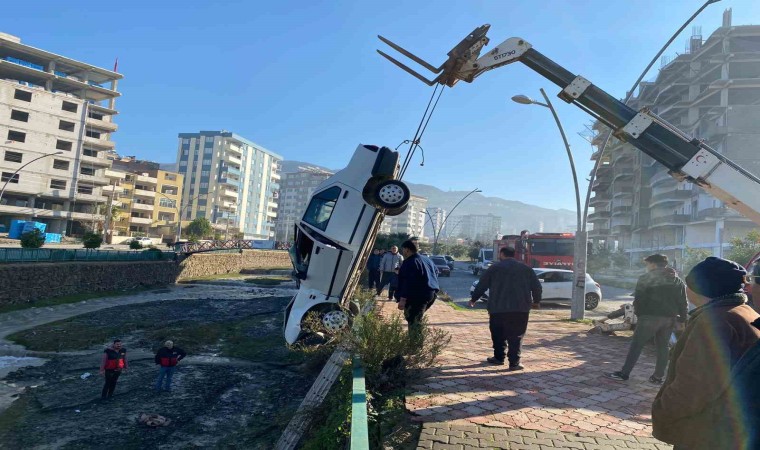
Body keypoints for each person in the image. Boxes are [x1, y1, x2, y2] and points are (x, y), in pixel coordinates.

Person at [652, 256, 760, 450]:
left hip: (704, 432)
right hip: (731, 431)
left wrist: (662, 411)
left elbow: (693, 385)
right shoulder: (744, 312)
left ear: (698, 287)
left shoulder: (713, 323)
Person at [607, 254, 688, 384]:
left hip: (649, 317)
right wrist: (683, 319)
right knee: (663, 347)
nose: (647, 267)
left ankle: (624, 373)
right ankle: (658, 377)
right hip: (669, 319)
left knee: (637, 345)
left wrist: (640, 315)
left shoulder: (646, 278)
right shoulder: (677, 280)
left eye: (648, 264)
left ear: (653, 264)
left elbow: (639, 300)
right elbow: (683, 302)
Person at [469, 246, 542, 370]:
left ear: (502, 254)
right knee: (516, 335)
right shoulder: (525, 268)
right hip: (520, 308)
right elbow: (537, 287)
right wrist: (536, 301)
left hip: (498, 307)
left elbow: (482, 285)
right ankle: (514, 362)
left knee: (498, 333)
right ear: (513, 255)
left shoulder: (494, 268)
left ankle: (499, 357)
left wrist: (474, 299)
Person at [395, 240, 439, 331]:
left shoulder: (410, 262)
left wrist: (402, 299)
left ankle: (415, 340)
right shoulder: (427, 259)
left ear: (407, 249)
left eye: (403, 249)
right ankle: (415, 338)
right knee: (415, 318)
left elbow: (408, 282)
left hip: (417, 296)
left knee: (414, 320)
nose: (402, 251)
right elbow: (436, 272)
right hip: (430, 294)